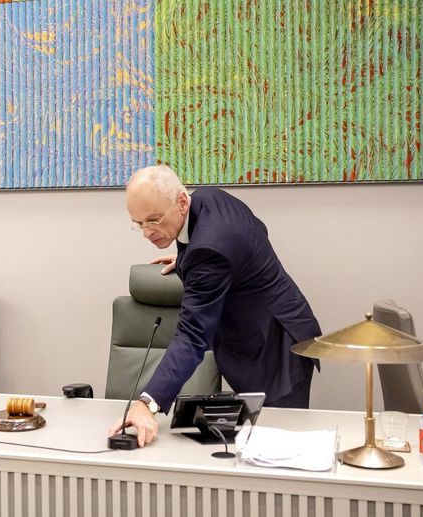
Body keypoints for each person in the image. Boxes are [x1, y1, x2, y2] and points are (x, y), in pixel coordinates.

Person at [109, 165, 321, 447]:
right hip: (268, 330)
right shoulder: (208, 199)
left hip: (277, 348)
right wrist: (187, 260)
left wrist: (147, 404)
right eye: (139, 223)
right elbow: (258, 229)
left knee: (281, 449)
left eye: (154, 220)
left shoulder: (210, 249)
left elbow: (193, 335)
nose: (147, 232)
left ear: (181, 202)